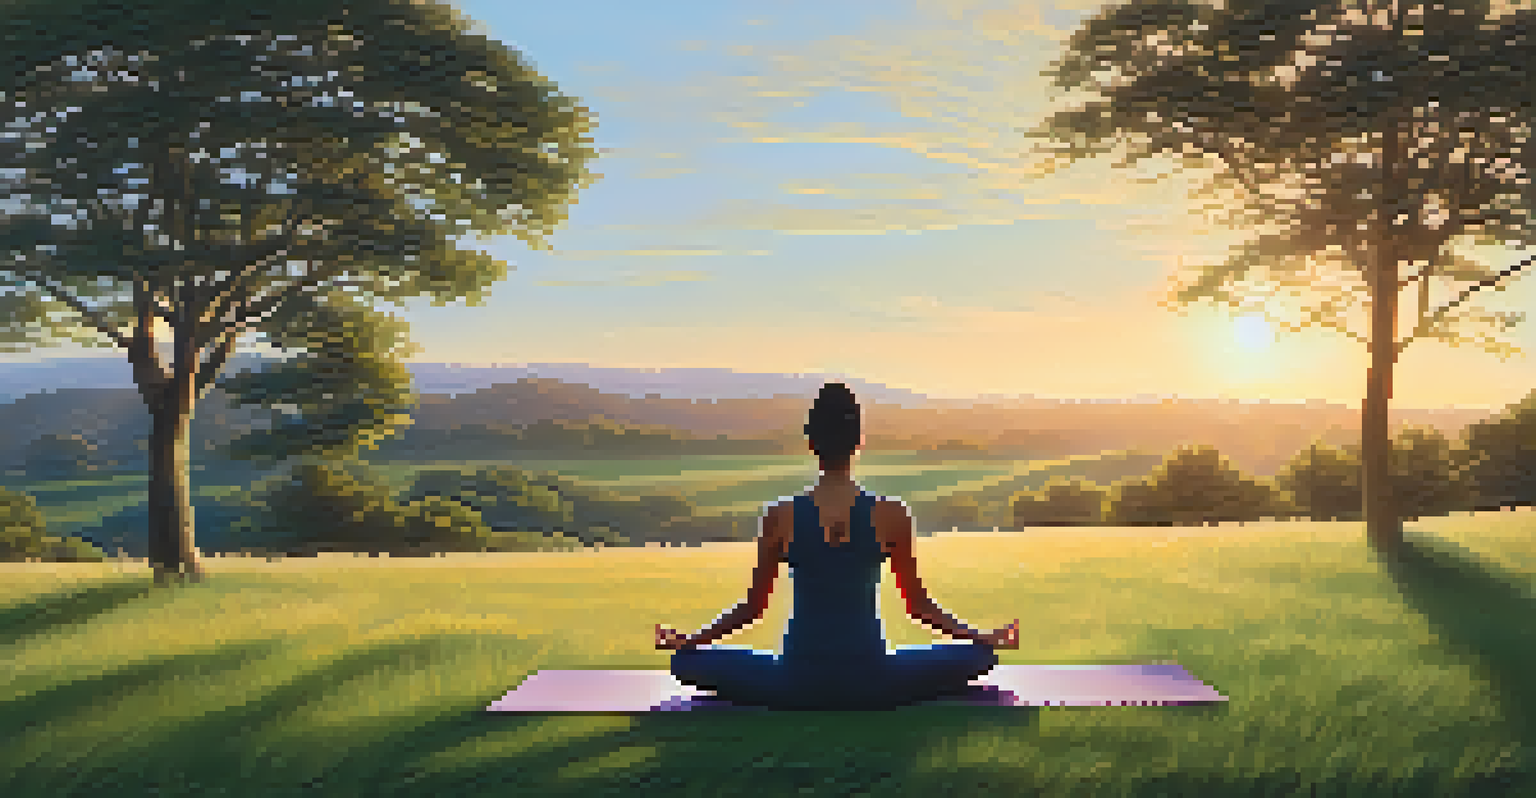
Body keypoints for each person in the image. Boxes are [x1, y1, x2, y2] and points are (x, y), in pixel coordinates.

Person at [655, 382, 1019, 710]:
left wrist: (692, 641)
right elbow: (919, 607)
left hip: (796, 683)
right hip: (873, 682)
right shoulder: (891, 514)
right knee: (981, 657)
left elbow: (753, 608)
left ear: (810, 442)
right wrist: (980, 636)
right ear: (859, 443)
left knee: (683, 663)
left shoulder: (780, 516)